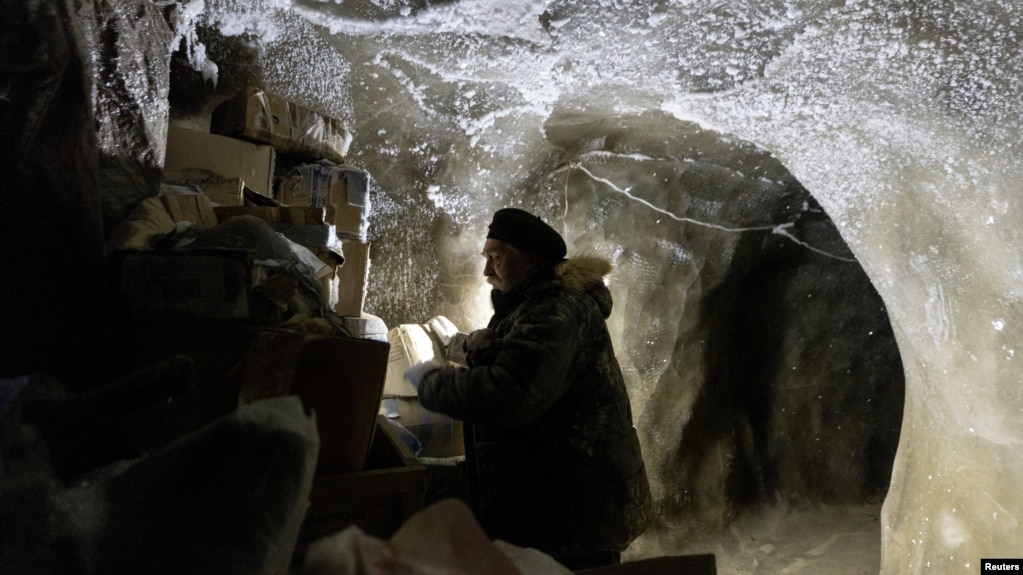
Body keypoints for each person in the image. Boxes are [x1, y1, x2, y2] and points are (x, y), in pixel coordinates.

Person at [404, 208, 653, 570]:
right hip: (555, 502)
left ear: (530, 260)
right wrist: (473, 347)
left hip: (573, 510)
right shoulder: (534, 303)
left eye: (496, 258)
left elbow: (513, 393)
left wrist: (431, 383)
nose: (487, 270)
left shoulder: (558, 308)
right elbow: (520, 352)